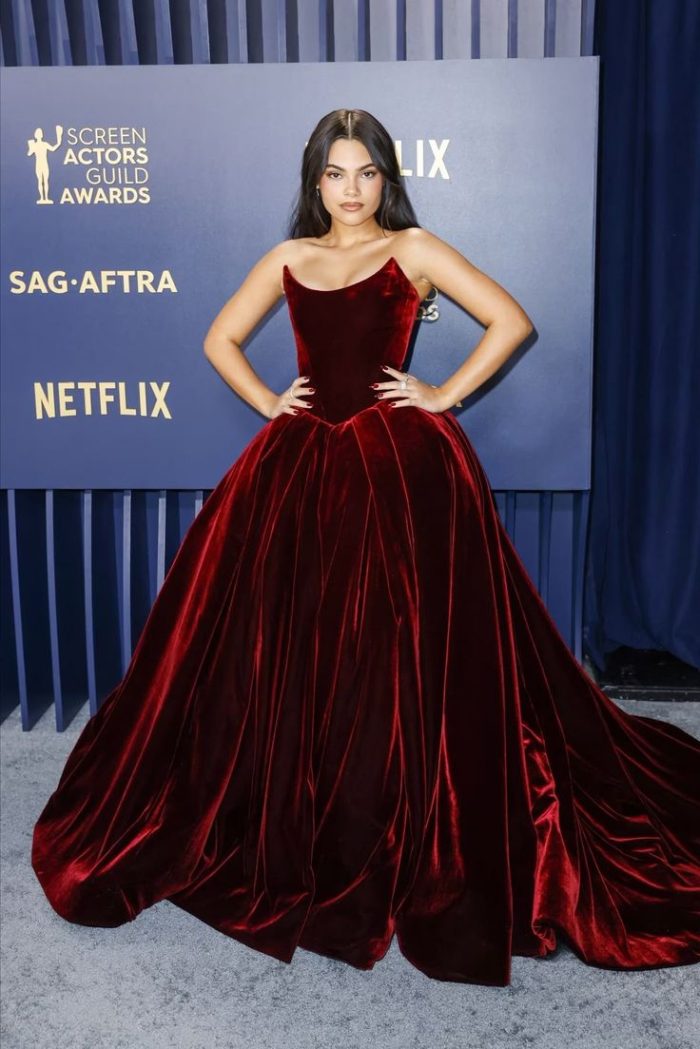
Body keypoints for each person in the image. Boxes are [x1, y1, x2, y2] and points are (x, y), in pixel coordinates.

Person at [31, 109, 700, 987]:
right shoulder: (287, 259)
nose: (351, 190)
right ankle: (314, 814)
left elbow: (510, 320)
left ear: (387, 178)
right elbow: (217, 339)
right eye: (335, 174)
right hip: (303, 470)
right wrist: (272, 400)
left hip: (404, 470)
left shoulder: (415, 248)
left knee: (410, 652)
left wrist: (441, 393)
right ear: (315, 183)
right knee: (297, 652)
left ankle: (408, 814)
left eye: (366, 173)